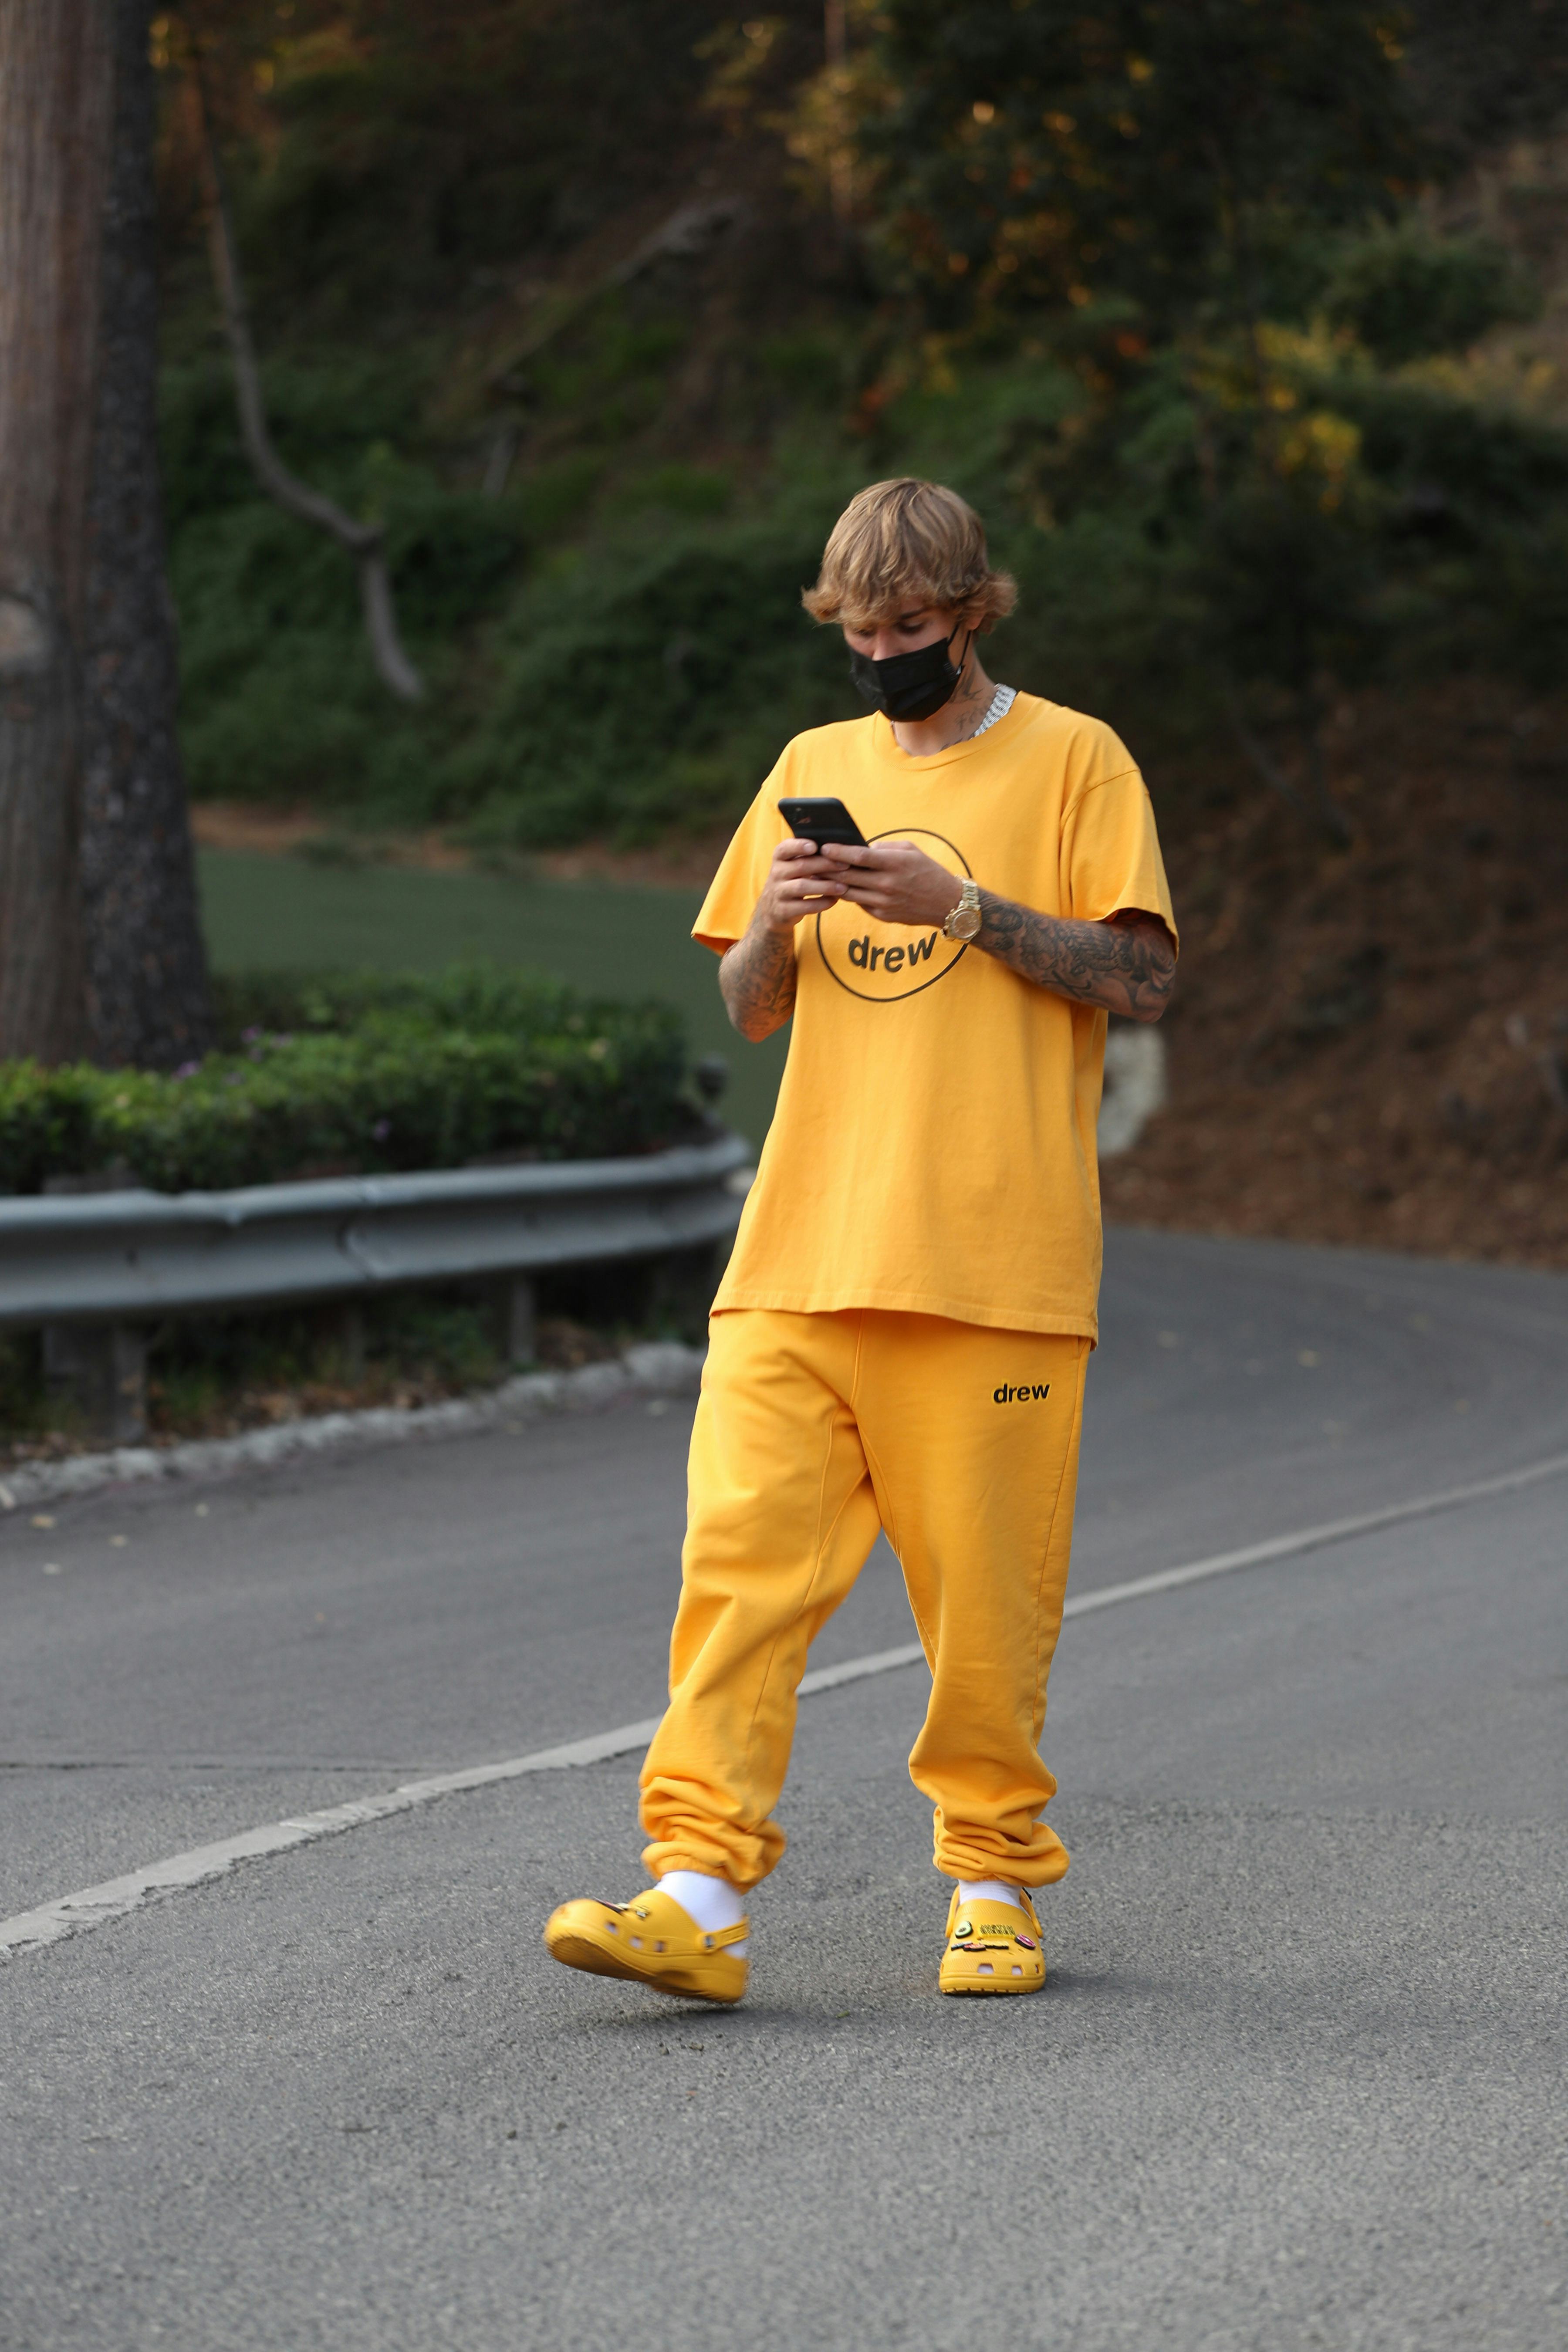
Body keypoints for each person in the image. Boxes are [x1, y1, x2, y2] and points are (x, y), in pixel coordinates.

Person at [544, 476, 1176, 2003]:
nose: (882, 650)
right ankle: (695, 1897)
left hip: (994, 1272)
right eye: (859, 629)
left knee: (984, 1611)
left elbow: (1142, 981)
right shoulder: (810, 766)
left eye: (908, 625)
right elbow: (753, 1003)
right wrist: (779, 911)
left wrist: (962, 907)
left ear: (970, 610)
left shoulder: (1076, 758)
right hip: (797, 1261)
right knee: (739, 1579)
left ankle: (991, 1884)